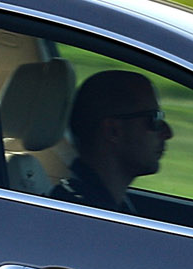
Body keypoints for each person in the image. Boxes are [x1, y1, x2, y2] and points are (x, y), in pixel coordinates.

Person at [61, 68, 169, 212]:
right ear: (114, 131)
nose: (168, 133)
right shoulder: (85, 215)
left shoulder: (101, 203)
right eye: (155, 119)